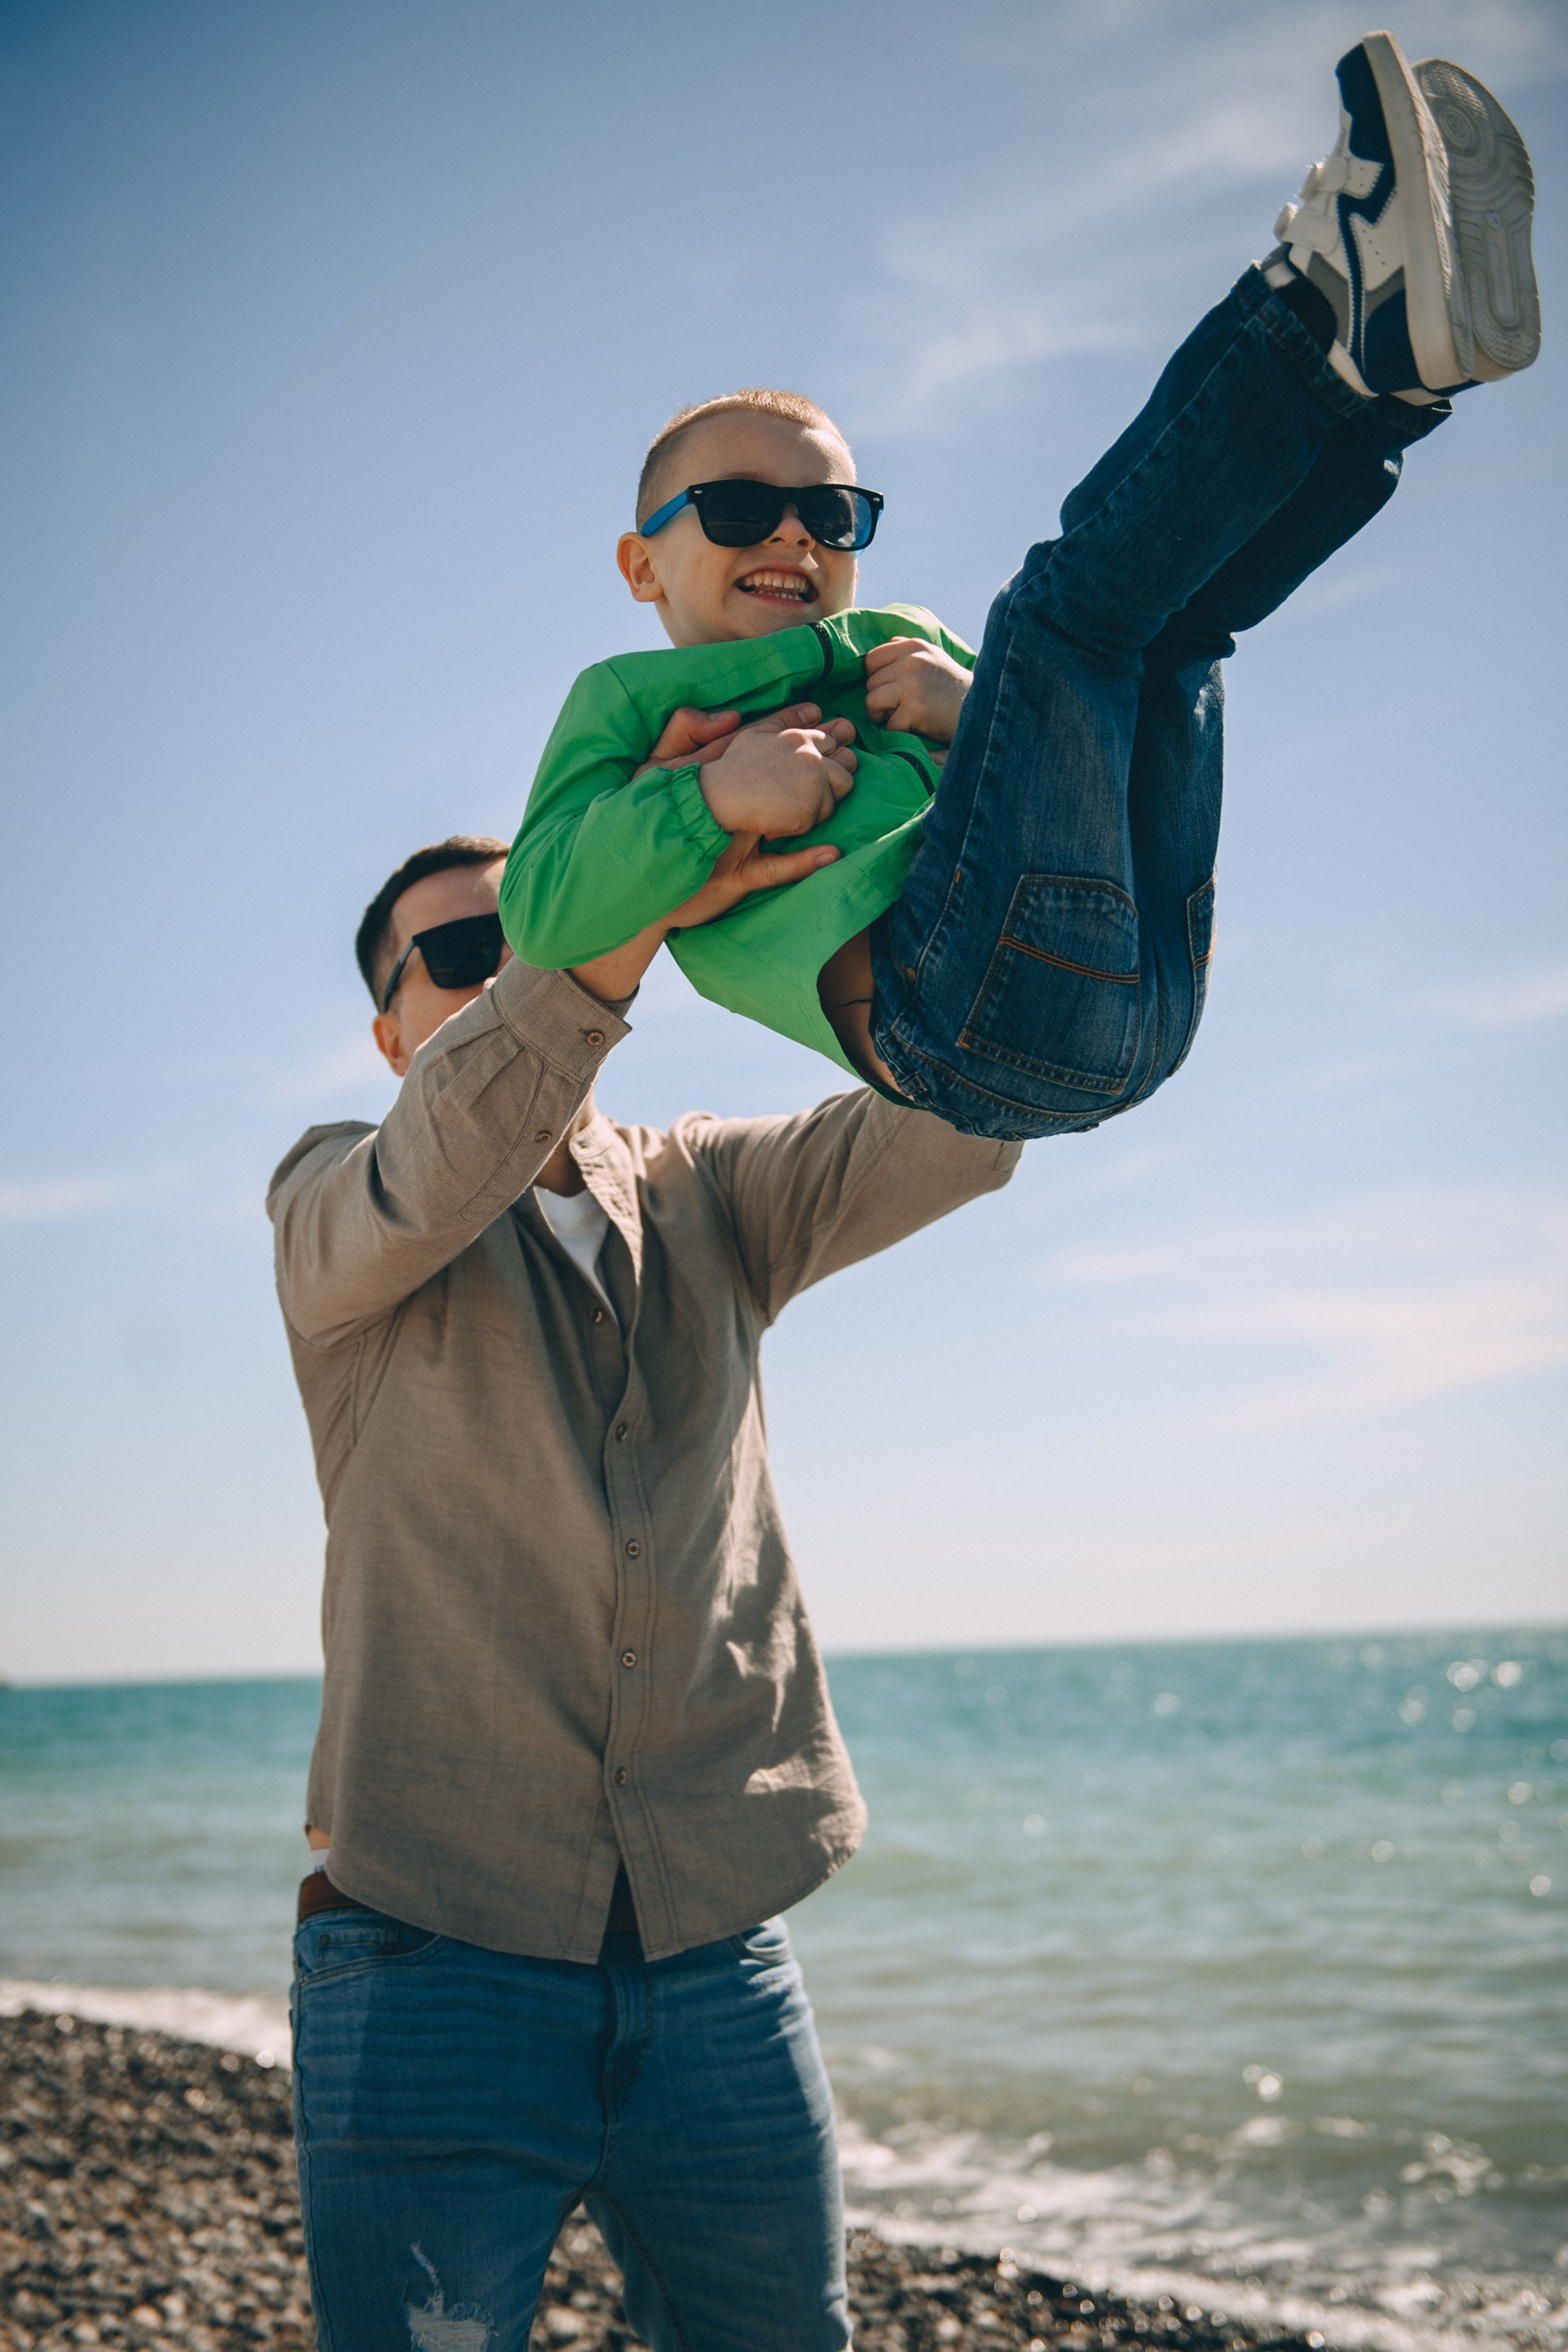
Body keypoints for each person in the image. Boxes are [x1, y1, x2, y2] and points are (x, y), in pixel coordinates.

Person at [500, 35, 1539, 1142]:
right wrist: (711, 797)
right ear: (642, 561)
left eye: (832, 512)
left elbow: (1045, 775)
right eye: (742, 509)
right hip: (954, 1010)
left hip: (1140, 986)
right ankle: (1310, 313)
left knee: (1174, 637)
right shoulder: (626, 706)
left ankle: (1386, 386)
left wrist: (979, 707)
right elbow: (540, 904)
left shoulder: (892, 642)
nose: (795, 532)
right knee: (1062, 618)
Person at [267, 833, 1019, 2351]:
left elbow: (967, 1125)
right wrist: (621, 902)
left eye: (547, 920)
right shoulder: (333, 1203)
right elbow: (447, 1157)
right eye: (469, 956)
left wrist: (927, 860)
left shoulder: (711, 1192)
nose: (520, 966)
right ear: (391, 1028)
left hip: (717, 1955)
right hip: (431, 1956)